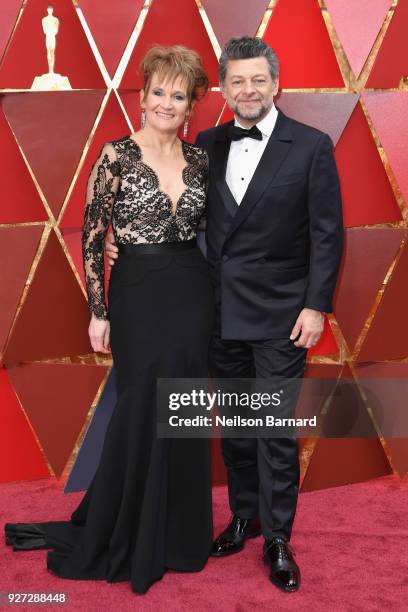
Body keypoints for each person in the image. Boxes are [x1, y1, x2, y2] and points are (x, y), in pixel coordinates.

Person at [106, 36, 344, 593]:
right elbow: (173, 211)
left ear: (275, 84)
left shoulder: (311, 146)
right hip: (213, 310)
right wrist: (122, 243)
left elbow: (328, 235)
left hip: (283, 315)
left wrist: (316, 306)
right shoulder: (205, 145)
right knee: (236, 426)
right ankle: (244, 516)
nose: (248, 89)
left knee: (273, 428)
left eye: (258, 79)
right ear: (224, 90)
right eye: (237, 81)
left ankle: (278, 538)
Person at [4, 45, 214, 594]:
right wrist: (98, 311)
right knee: (143, 401)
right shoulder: (115, 155)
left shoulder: (200, 161)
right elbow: (94, 235)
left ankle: (180, 535)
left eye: (178, 94)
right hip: (137, 295)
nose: (167, 103)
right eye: (158, 92)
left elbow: (212, 231)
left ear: (191, 104)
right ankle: (131, 529)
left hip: (192, 291)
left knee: (186, 403)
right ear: (142, 97)